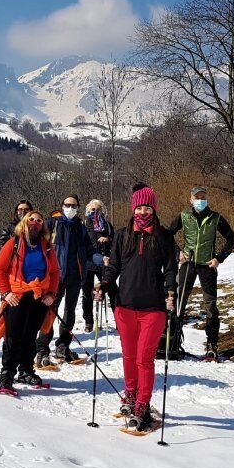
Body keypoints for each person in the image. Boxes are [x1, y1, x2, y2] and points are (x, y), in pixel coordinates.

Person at [100, 183, 177, 433]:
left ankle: (143, 403)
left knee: (145, 358)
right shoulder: (123, 235)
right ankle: (130, 394)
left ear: (154, 209)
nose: (143, 212)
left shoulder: (163, 236)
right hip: (125, 305)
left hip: (153, 308)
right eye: (139, 207)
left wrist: (170, 292)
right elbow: (114, 267)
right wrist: (104, 283)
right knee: (129, 355)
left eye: (147, 207)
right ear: (133, 208)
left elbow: (170, 269)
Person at [164, 186, 234, 360]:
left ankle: (212, 346)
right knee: (179, 303)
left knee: (211, 307)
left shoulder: (215, 217)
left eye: (203, 197)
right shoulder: (184, 216)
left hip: (207, 266)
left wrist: (219, 258)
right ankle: (173, 342)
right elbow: (167, 235)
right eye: (197, 197)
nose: (200, 200)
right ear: (190, 199)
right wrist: (178, 252)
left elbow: (232, 238)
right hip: (188, 264)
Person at [0, 210, 59, 392]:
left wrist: (51, 294)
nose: (35, 223)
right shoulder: (13, 243)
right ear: (23, 222)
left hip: (38, 297)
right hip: (18, 296)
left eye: (39, 220)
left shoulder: (46, 246)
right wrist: (6, 293)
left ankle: (26, 370)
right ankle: (7, 375)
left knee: (30, 336)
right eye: (31, 219)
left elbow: (54, 272)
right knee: (13, 336)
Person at [35, 194, 93, 368]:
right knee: (50, 311)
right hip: (55, 276)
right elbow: (39, 245)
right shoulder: (52, 223)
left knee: (70, 311)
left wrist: (100, 259)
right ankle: (42, 349)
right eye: (67, 205)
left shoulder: (80, 228)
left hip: (75, 276)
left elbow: (88, 249)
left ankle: (63, 345)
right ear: (62, 206)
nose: (70, 208)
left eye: (74, 205)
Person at [82, 199, 114, 332]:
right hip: (88, 263)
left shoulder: (107, 225)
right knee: (86, 293)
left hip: (103, 262)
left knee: (112, 290)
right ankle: (88, 321)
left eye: (98, 209)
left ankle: (118, 319)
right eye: (93, 210)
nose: (95, 212)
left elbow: (115, 242)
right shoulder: (83, 225)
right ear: (88, 211)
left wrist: (107, 239)